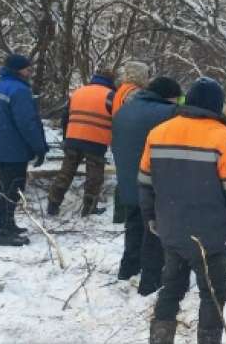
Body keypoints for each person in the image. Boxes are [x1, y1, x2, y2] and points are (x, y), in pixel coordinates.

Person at [139, 77, 226, 344]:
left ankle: (160, 339)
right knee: (213, 294)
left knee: (170, 288)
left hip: (171, 230)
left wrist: (151, 217)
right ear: (217, 106)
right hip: (211, 236)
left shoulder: (158, 133)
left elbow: (145, 183)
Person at [111, 76, 181, 295]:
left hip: (127, 179)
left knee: (133, 225)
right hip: (153, 183)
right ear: (169, 96)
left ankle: (127, 270)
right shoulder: (168, 114)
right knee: (155, 232)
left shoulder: (124, 109)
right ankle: (150, 283)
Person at [0, 54, 49, 247]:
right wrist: (39, 148)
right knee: (12, 188)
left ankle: (7, 224)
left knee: (5, 187)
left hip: (2, 145)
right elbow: (27, 123)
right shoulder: (19, 90)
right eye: (26, 68)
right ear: (17, 70)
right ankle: (3, 232)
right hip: (15, 148)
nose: (29, 71)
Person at [47, 68, 116, 217]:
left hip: (73, 139)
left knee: (65, 173)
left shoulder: (78, 92)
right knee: (94, 177)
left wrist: (66, 137)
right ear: (111, 81)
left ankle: (52, 205)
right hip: (96, 141)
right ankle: (89, 209)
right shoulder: (111, 95)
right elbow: (116, 120)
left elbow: (65, 117)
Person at [111, 61, 151, 224]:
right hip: (130, 138)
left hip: (120, 137)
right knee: (131, 178)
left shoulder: (122, 89)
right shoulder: (134, 93)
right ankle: (124, 215)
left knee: (123, 176)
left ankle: (119, 215)